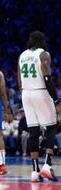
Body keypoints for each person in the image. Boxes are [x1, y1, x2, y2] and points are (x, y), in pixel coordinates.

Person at [17, 31, 61, 181]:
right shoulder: (44, 54)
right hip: (41, 91)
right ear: (42, 41)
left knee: (33, 132)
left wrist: (25, 95)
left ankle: (35, 171)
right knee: (51, 127)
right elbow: (47, 79)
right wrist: (56, 100)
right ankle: (47, 166)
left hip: (26, 93)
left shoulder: (22, 55)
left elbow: (19, 81)